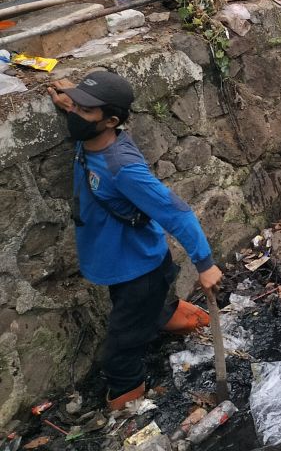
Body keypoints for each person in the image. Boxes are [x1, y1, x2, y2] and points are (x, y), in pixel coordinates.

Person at [47, 71, 223, 410]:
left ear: (111, 121)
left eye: (86, 111)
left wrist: (205, 264)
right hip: (125, 261)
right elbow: (80, 109)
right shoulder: (93, 134)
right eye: (78, 106)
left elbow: (178, 212)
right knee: (154, 309)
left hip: (139, 271)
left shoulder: (123, 168)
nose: (76, 114)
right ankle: (179, 318)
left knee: (120, 352)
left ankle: (128, 408)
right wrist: (73, 99)